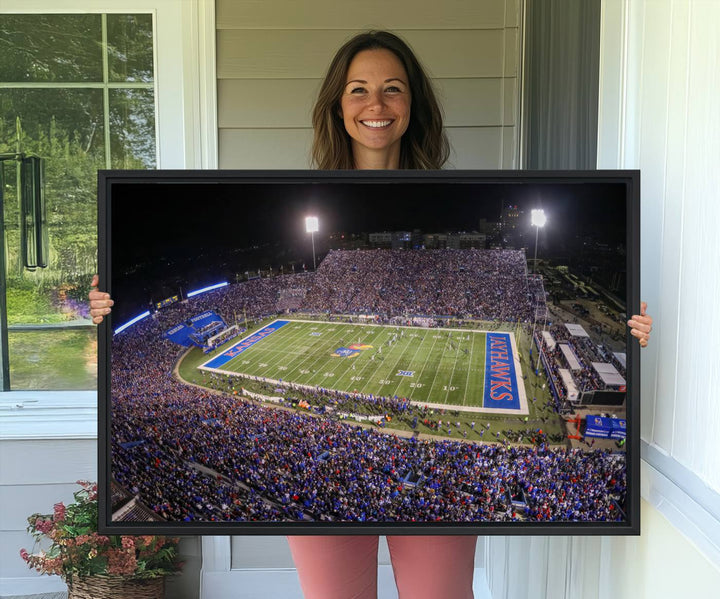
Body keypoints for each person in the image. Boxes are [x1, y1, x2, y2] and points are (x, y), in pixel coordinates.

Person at [89, 30, 653, 599]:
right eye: (358, 90)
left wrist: (633, 337)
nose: (376, 105)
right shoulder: (302, 187)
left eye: (393, 89)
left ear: (414, 105)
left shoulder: (456, 188)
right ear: (337, 104)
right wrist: (104, 310)